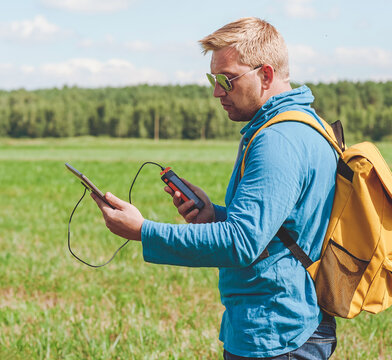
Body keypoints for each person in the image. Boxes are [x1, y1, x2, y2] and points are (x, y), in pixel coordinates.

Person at [92, 17, 338, 360]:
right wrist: (214, 215)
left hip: (275, 334)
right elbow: (278, 228)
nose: (217, 91)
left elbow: (241, 243)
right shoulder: (303, 125)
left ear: (265, 75)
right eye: (213, 78)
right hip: (284, 323)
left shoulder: (277, 140)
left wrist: (143, 232)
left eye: (227, 79)